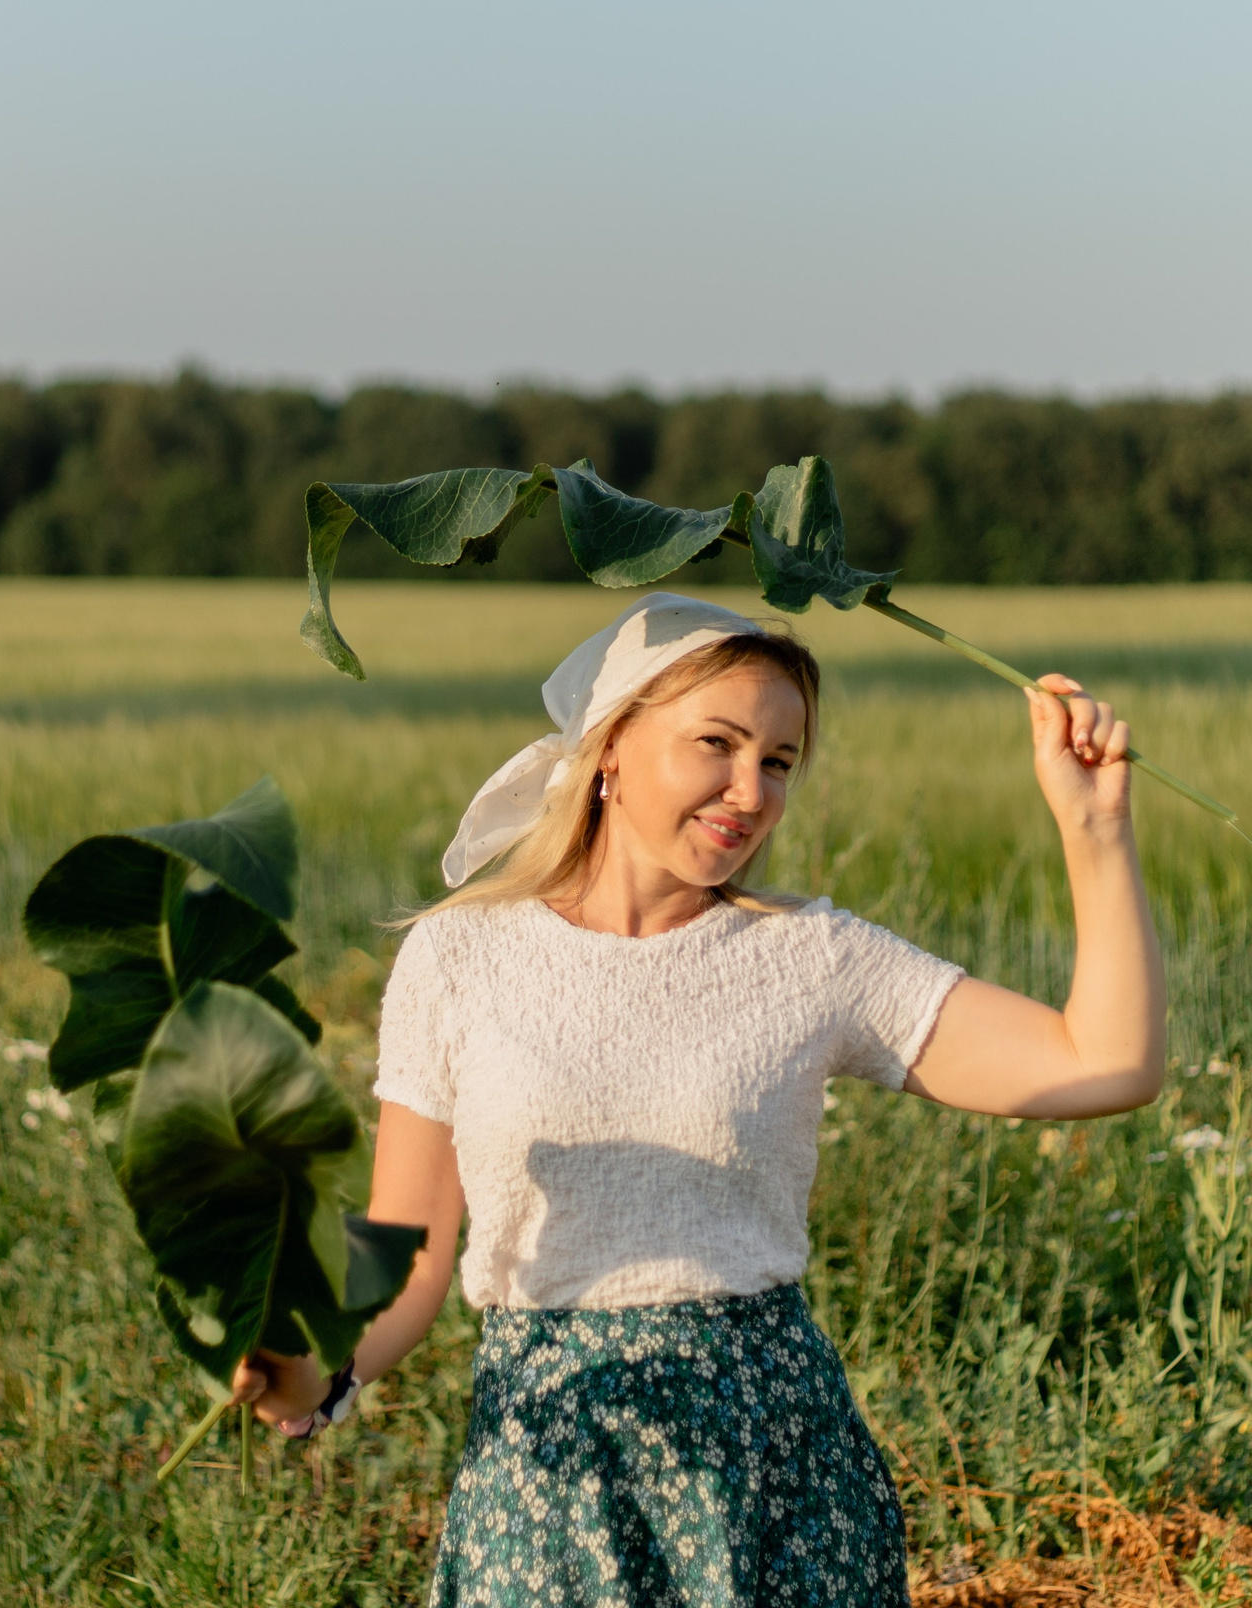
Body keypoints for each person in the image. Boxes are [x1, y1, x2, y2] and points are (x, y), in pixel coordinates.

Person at [235, 593, 1166, 1607]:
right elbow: (406, 1255)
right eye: (714, 744)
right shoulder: (460, 957)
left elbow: (1105, 1061)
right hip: (552, 1469)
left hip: (779, 1475)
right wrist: (313, 1369)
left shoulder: (811, 956)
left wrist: (1095, 827)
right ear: (610, 748)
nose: (748, 790)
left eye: (776, 761)